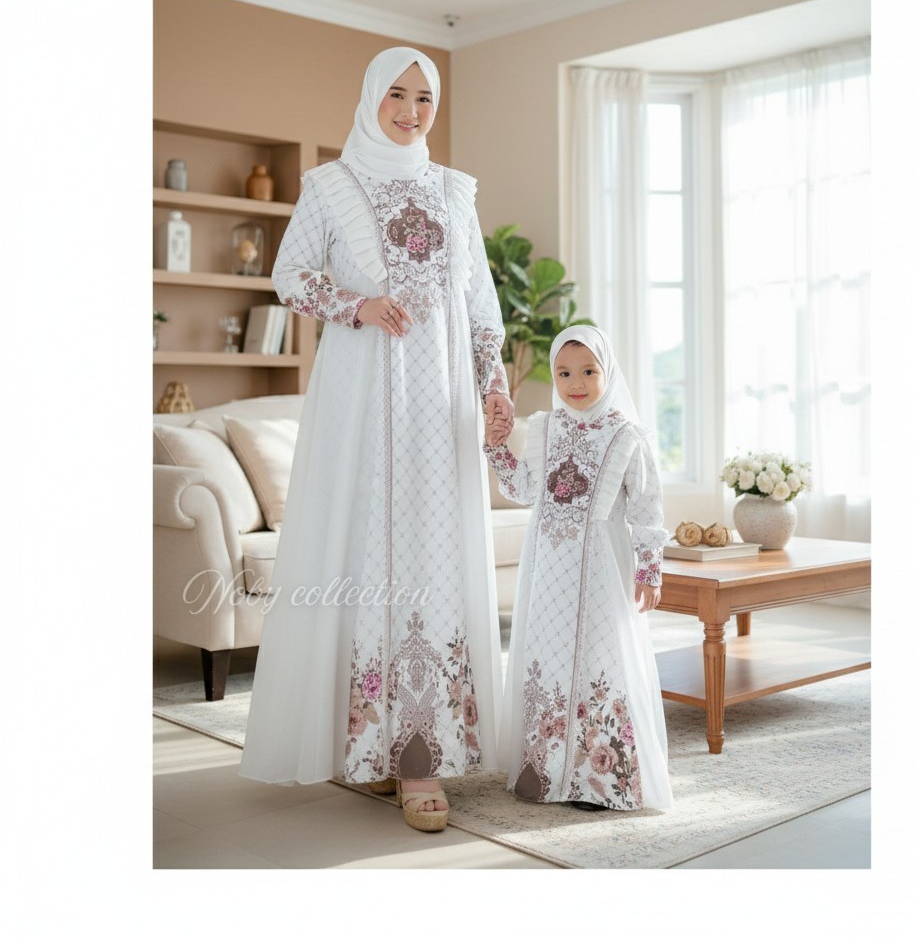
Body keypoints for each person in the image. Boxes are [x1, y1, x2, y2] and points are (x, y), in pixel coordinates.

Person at [239, 47, 514, 833]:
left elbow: (481, 307)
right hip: (361, 403)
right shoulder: (329, 185)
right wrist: (357, 306)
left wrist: (494, 387)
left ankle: (421, 751)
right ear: (371, 98)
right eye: (397, 94)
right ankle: (368, 744)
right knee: (364, 553)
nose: (411, 110)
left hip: (440, 407)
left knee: (433, 558)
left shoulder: (455, 191)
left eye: (425, 98)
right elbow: (290, 276)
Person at [483, 325, 673, 811]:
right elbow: (524, 490)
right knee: (548, 653)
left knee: (600, 654)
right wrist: (498, 448)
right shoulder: (545, 427)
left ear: (608, 372)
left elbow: (647, 506)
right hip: (547, 565)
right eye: (564, 373)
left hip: (602, 565)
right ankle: (545, 769)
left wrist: (649, 569)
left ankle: (597, 777)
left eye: (589, 371)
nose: (576, 383)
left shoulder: (626, 435)